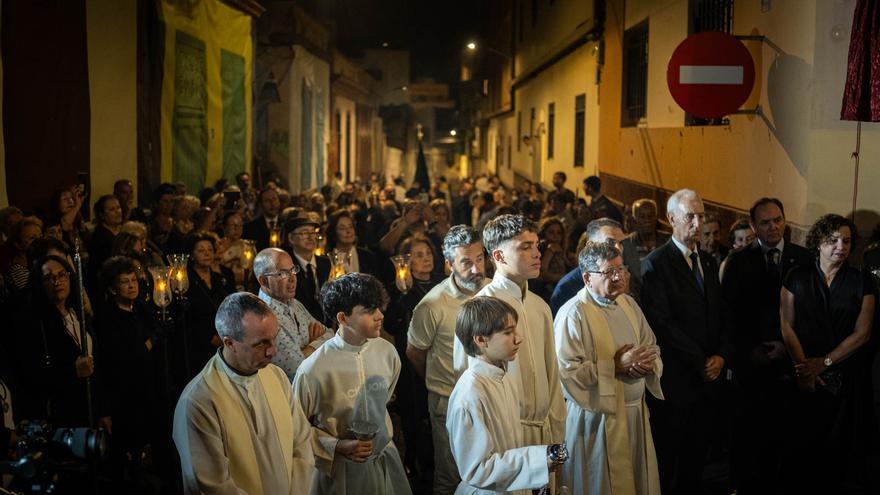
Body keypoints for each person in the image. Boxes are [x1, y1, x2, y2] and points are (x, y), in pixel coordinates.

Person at [173, 292, 315, 494]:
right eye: (261, 343)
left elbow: (301, 444)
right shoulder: (199, 400)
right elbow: (212, 484)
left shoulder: (276, 376)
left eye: (274, 338)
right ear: (229, 343)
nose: (273, 351)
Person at [639, 189, 733, 493]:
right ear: (671, 219)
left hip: (709, 380)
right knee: (670, 462)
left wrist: (721, 356)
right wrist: (701, 361)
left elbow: (720, 315)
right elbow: (663, 324)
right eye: (690, 216)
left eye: (701, 215)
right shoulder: (656, 263)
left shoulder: (707, 261)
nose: (697, 222)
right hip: (677, 380)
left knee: (697, 460)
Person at [555, 241, 663, 494]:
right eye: (608, 272)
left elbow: (652, 346)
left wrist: (647, 363)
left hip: (634, 415)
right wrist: (613, 366)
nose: (618, 277)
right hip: (597, 423)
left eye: (621, 269)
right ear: (587, 278)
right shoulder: (573, 313)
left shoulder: (629, 304)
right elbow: (565, 374)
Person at [720, 197, 812, 493]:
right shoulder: (738, 261)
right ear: (753, 227)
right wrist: (750, 351)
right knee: (750, 438)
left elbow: (810, 313)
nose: (773, 227)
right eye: (765, 222)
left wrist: (788, 347)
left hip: (791, 362)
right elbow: (730, 314)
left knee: (787, 439)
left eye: (778, 220)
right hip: (752, 367)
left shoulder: (804, 259)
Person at [779, 214, 875, 492]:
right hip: (802, 377)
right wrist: (803, 367)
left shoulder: (861, 282)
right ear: (818, 242)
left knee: (836, 455)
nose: (840, 246)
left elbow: (862, 333)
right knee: (798, 451)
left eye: (846, 241)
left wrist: (825, 362)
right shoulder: (796, 276)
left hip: (843, 379)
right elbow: (787, 325)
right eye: (832, 240)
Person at [293, 273, 412, 495]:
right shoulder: (314, 369)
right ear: (343, 318)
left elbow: (382, 399)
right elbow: (295, 428)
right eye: (368, 310)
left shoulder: (386, 351)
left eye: (378, 307)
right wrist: (337, 446)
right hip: (340, 469)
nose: (379, 316)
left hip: (384, 458)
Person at [457, 215, 566, 448]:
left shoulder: (540, 307)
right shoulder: (480, 308)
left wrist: (557, 431)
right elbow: (466, 377)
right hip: (504, 433)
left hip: (544, 429)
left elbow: (552, 373)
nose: (537, 253)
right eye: (526, 247)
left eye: (537, 245)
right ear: (499, 256)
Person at [447, 296, 565, 495]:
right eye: (508, 333)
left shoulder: (503, 376)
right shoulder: (469, 395)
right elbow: (477, 470)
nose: (518, 338)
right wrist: (539, 460)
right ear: (481, 339)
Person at [405, 225, 488, 494]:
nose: (476, 269)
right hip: (449, 402)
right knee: (451, 475)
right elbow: (414, 352)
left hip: (491, 397)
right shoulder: (432, 305)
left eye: (479, 259)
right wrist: (439, 381)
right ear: (449, 263)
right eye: (466, 262)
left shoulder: (493, 291)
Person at [254, 248, 333, 381]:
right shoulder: (264, 316)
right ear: (263, 281)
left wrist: (310, 347)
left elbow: (331, 336)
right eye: (283, 273)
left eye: (293, 270)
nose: (293, 278)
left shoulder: (294, 303)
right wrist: (317, 343)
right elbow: (298, 368)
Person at [550, 218, 642, 316]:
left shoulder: (627, 275)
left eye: (621, 243)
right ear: (590, 245)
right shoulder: (567, 288)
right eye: (610, 242)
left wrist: (626, 294)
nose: (618, 249)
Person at [184, 232, 234, 379]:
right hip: (200, 344)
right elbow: (189, 316)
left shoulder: (220, 278)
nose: (207, 253)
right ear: (192, 255)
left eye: (210, 250)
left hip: (223, 338)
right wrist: (209, 337)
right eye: (201, 250)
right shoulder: (186, 282)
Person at [285, 216, 330, 323]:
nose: (310, 237)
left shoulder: (327, 263)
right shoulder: (287, 267)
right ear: (291, 238)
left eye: (313, 233)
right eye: (304, 233)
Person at [325, 209, 378, 276]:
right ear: (333, 232)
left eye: (350, 227)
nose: (348, 231)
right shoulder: (326, 259)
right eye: (342, 228)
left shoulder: (367, 257)